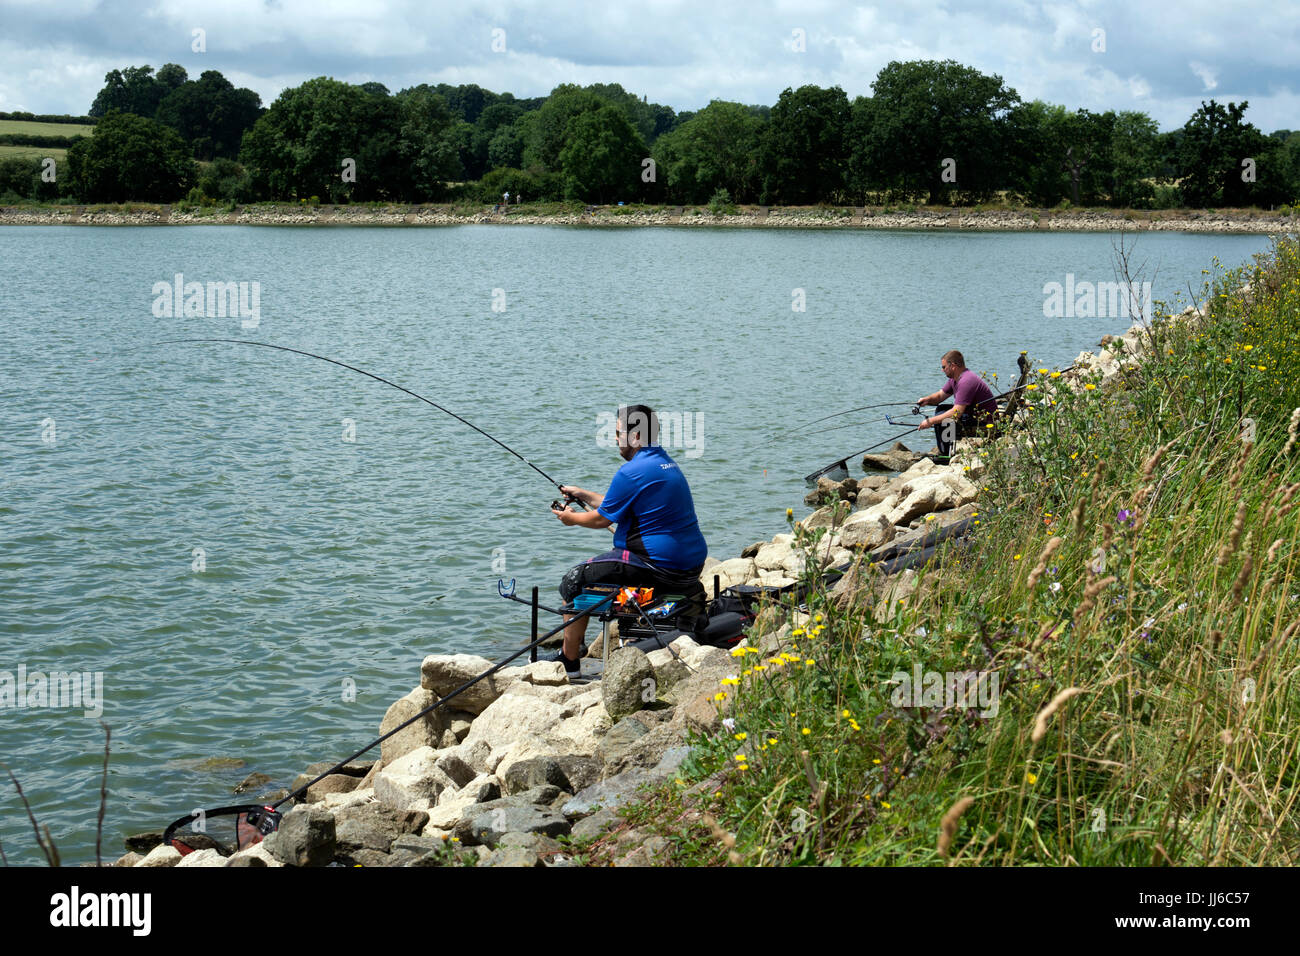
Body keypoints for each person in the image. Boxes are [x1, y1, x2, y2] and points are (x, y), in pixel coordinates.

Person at [548, 405, 709, 676]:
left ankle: (569, 661)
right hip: (689, 567)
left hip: (658, 568)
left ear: (635, 437)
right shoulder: (662, 462)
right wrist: (583, 494)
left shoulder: (632, 471)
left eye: (618, 433)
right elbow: (615, 506)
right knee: (592, 577)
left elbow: (602, 520)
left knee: (573, 581)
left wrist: (570, 519)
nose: (614, 438)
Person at [916, 350, 999, 458]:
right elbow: (940, 396)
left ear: (953, 366)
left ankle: (946, 454)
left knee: (944, 419)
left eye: (944, 367)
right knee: (941, 409)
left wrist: (930, 421)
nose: (942, 370)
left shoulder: (966, 381)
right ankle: (946, 449)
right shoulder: (955, 379)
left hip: (984, 421)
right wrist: (927, 400)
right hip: (972, 414)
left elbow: (956, 413)